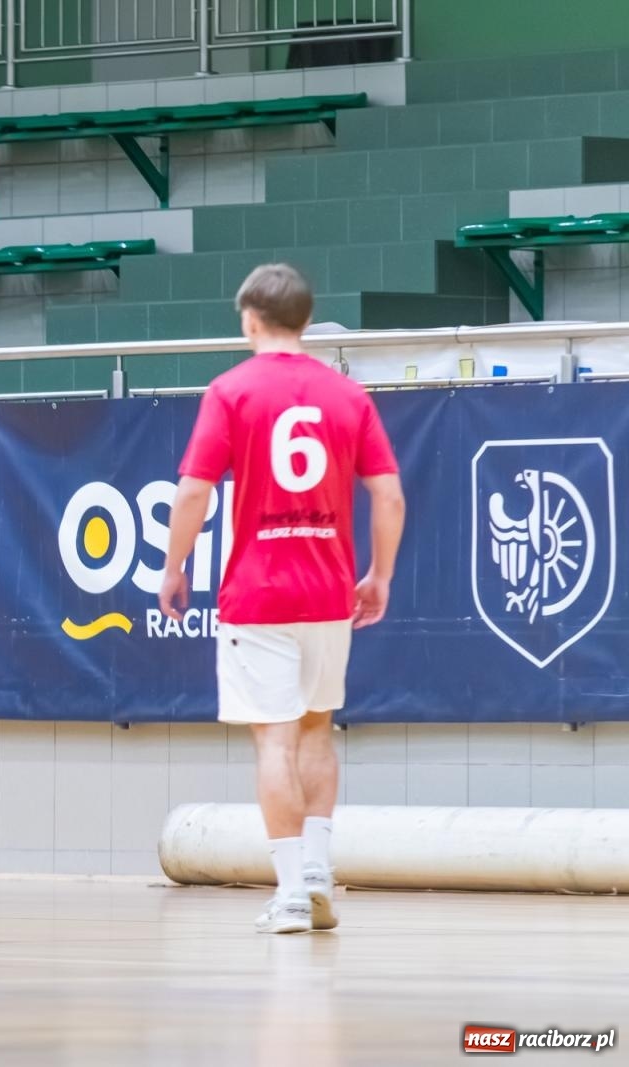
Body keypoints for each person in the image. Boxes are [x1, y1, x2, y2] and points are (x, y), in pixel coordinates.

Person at [160, 264, 406, 934]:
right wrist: (379, 574)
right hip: (330, 589)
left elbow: (192, 491)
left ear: (249, 320)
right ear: (304, 318)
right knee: (317, 729)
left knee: (273, 738)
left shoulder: (230, 390)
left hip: (258, 594)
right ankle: (321, 873)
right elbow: (388, 493)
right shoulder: (347, 394)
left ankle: (293, 890)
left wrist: (174, 565)